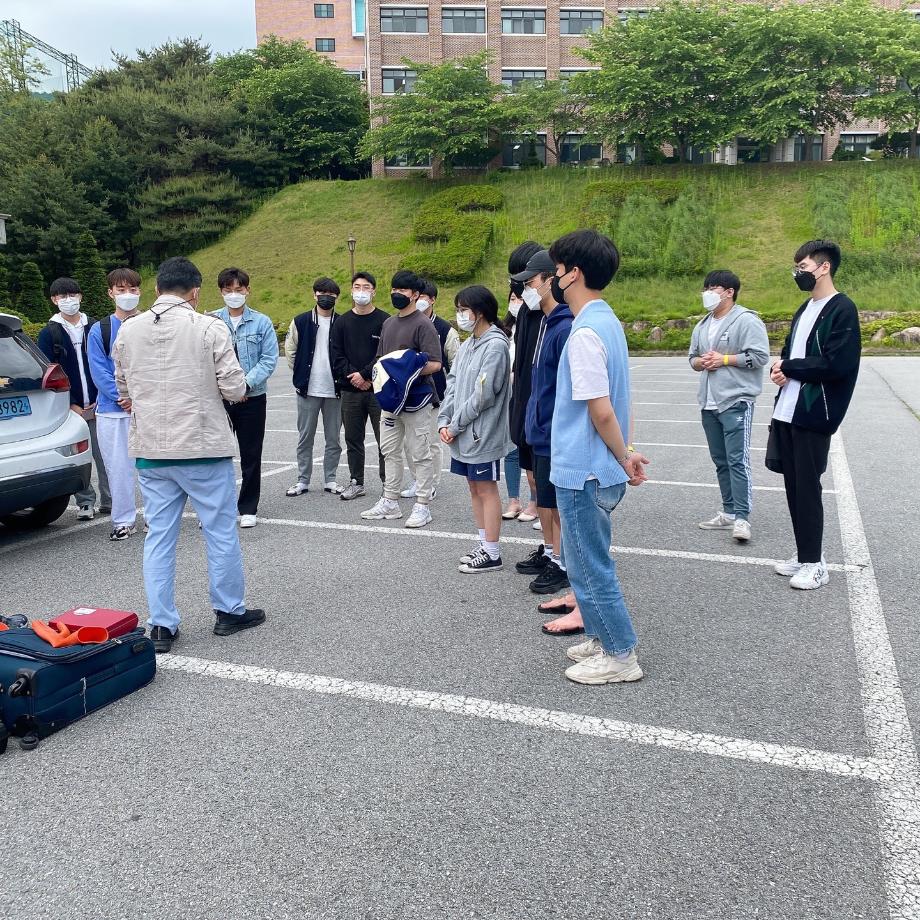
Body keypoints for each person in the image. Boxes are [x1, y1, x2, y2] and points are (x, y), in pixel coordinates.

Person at [113, 257, 265, 655]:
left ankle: (162, 624)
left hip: (152, 450)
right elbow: (234, 388)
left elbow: (122, 388)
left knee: (159, 537)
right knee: (219, 530)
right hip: (202, 447)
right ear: (195, 292)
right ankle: (229, 611)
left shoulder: (129, 329)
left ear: (156, 289)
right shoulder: (209, 327)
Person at [547, 229, 650, 686]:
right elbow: (618, 401)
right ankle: (600, 634)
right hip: (597, 466)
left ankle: (619, 654)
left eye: (557, 269)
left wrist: (624, 454)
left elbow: (601, 409)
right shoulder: (608, 321)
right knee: (588, 557)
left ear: (574, 273)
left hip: (583, 468)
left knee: (588, 565)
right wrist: (625, 453)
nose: (553, 278)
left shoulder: (584, 333)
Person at [768, 240, 861, 590]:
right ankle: (807, 553)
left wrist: (789, 366)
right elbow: (789, 352)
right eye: (797, 268)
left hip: (814, 413)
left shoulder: (842, 309)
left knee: (808, 487)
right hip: (788, 410)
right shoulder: (804, 308)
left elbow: (837, 364)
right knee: (794, 485)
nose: (798, 273)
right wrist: (780, 370)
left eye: (803, 267)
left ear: (824, 267)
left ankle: (815, 564)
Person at [689, 270, 770, 543]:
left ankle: (742, 518)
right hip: (708, 402)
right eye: (706, 288)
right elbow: (692, 358)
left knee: (738, 460)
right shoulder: (702, 325)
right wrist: (701, 362)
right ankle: (728, 511)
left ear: (729, 292)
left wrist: (724, 359)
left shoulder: (746, 320)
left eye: (713, 288)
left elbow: (759, 356)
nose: (708, 293)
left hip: (736, 400)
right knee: (721, 460)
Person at [438, 286, 512, 572]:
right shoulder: (469, 343)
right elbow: (453, 383)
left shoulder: (495, 345)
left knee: (486, 488)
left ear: (479, 312)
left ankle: (492, 552)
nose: (460, 315)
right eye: (458, 309)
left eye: (463, 310)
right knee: (473, 487)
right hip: (462, 431)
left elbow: (484, 396)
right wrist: (444, 420)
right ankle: (484, 543)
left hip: (483, 433)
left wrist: (455, 425)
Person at [361, 270, 442, 528]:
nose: (397, 294)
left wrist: (407, 369)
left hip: (417, 399)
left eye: (403, 290)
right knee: (389, 451)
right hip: (390, 400)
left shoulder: (423, 324)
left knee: (420, 453)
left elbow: (436, 363)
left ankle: (423, 504)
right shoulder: (388, 324)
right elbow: (381, 359)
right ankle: (390, 501)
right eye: (394, 289)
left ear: (415, 294)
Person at [519, 249, 573, 595]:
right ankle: (553, 553)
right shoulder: (545, 322)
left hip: (555, 432)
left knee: (558, 504)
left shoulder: (565, 326)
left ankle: (564, 562)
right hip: (540, 430)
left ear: (550, 280)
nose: (527, 289)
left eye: (532, 281)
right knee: (546, 501)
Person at [37, 277, 111, 521]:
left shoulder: (96, 327)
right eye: (62, 296)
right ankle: (85, 502)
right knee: (79, 457)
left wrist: (103, 395)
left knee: (105, 455)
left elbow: (107, 363)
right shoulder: (49, 333)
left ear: (80, 296)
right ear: (54, 300)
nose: (68, 300)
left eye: (72, 295)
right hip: (70, 408)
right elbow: (49, 371)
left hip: (100, 403)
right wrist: (70, 403)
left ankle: (111, 500)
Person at [215, 267, 279, 527]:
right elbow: (206, 361)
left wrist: (243, 386)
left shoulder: (261, 322)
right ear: (221, 292)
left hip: (253, 398)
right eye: (228, 290)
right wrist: (229, 389)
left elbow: (269, 359)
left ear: (247, 290)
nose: (234, 294)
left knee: (251, 454)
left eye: (238, 290)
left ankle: (248, 507)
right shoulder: (212, 322)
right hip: (219, 399)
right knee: (217, 455)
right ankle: (219, 507)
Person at [86, 268, 142, 540]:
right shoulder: (100, 330)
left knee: (154, 468)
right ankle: (123, 520)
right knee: (118, 469)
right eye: (121, 290)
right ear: (111, 293)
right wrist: (124, 397)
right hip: (112, 411)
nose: (128, 295)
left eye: (133, 289)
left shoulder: (150, 324)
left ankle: (156, 518)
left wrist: (139, 399)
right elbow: (99, 371)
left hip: (145, 409)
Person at [329, 272, 388, 501]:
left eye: (366, 287)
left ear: (374, 291)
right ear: (351, 290)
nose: (361, 291)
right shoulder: (341, 322)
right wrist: (355, 377)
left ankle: (388, 484)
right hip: (350, 391)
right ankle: (356, 482)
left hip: (378, 391)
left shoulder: (385, 321)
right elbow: (336, 356)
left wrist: (366, 375)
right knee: (353, 440)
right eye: (357, 286)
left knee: (385, 440)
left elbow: (385, 354)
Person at [284, 277, 343, 498]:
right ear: (314, 294)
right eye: (321, 293)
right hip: (307, 389)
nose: (326, 297)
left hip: (335, 390)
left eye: (331, 294)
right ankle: (303, 480)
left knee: (333, 439)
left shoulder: (342, 322)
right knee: (305, 437)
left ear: (337, 297)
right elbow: (291, 352)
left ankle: (331, 479)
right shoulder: (300, 321)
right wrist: (301, 374)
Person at [401, 279, 459, 501]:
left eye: (423, 297)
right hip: (408, 394)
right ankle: (417, 480)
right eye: (416, 296)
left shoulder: (445, 330)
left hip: (436, 396)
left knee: (432, 443)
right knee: (410, 443)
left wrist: (451, 396)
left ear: (432, 300)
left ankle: (431, 483)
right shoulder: (404, 323)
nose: (419, 301)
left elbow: (455, 366)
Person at [506, 242, 543, 527]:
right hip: (522, 403)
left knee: (544, 475)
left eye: (526, 279)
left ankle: (546, 515)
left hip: (542, 410)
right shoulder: (525, 316)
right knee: (529, 470)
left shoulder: (555, 317)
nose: (519, 286)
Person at [501, 287, 538, 522]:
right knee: (511, 450)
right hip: (508, 396)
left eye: (520, 298)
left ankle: (536, 501)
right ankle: (513, 499)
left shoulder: (534, 324)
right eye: (513, 299)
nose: (516, 303)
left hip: (528, 394)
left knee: (531, 450)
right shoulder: (504, 330)